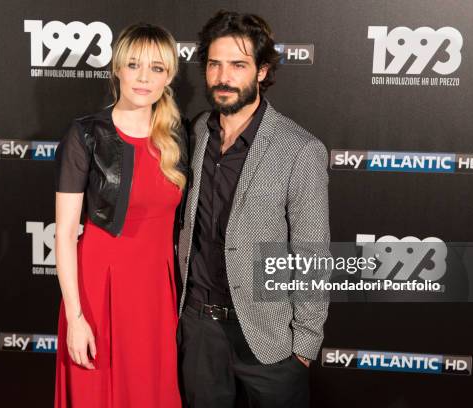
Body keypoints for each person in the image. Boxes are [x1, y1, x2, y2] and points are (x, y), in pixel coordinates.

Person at [176, 10, 331, 407]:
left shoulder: (299, 149)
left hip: (270, 338)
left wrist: (304, 345)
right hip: (199, 331)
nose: (223, 77)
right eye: (214, 64)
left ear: (262, 71)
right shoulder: (196, 131)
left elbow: (312, 254)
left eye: (238, 65)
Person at [53, 23, 188, 408]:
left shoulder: (178, 136)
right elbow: (64, 234)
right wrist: (76, 318)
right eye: (133, 64)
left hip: (155, 294)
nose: (144, 77)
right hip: (99, 288)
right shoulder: (86, 134)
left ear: (169, 77)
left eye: (157, 68)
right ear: (117, 69)